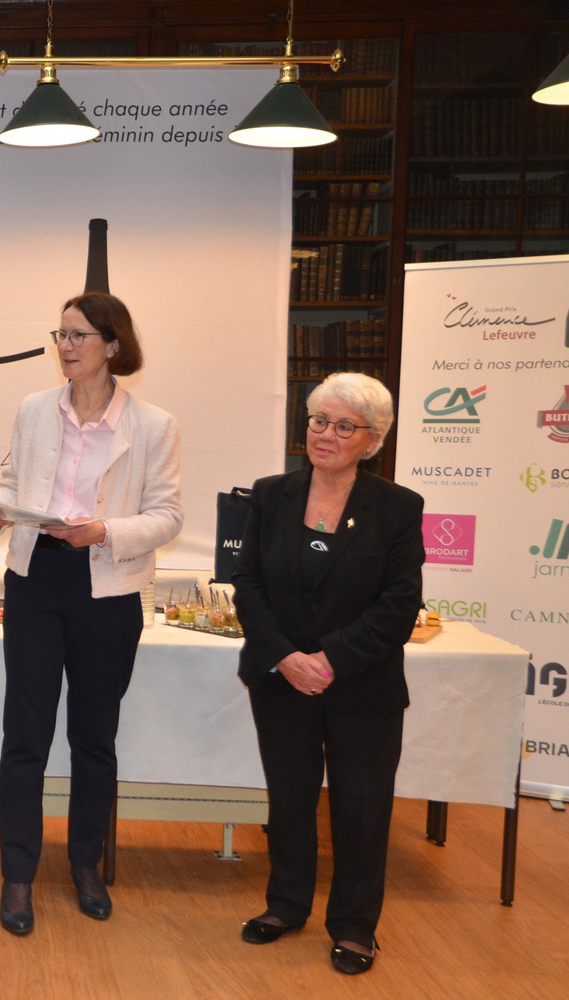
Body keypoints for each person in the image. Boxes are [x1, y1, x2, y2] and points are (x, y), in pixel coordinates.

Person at [0, 291, 182, 935]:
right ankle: (17, 873)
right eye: (60, 335)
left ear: (112, 346)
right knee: (25, 736)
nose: (65, 346)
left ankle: (86, 864)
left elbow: (167, 516)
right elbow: (13, 484)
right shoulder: (35, 410)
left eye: (78, 335)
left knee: (94, 737)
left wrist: (105, 531)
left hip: (108, 587)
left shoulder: (153, 426)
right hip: (35, 579)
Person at [232, 371, 423, 976]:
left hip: (362, 684)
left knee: (361, 808)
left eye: (344, 426)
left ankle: (355, 926)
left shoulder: (397, 507)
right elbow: (247, 584)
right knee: (290, 799)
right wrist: (286, 657)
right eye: (319, 420)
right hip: (281, 678)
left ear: (373, 441)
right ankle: (286, 906)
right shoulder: (271, 495)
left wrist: (331, 659)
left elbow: (398, 604)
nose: (326, 434)